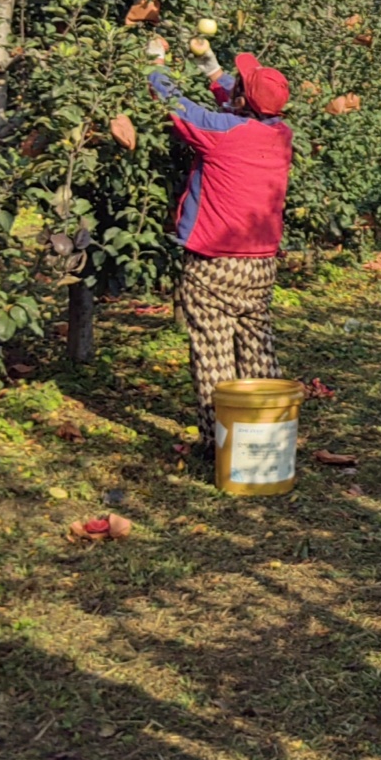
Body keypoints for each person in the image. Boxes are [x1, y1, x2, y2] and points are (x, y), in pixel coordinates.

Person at [146, 35, 295, 466]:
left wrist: (154, 63)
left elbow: (177, 108)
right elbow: (244, 103)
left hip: (214, 262)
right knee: (256, 343)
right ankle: (265, 435)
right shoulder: (280, 134)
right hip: (261, 264)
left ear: (244, 100)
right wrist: (212, 71)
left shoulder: (222, 135)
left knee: (212, 352)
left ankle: (222, 446)